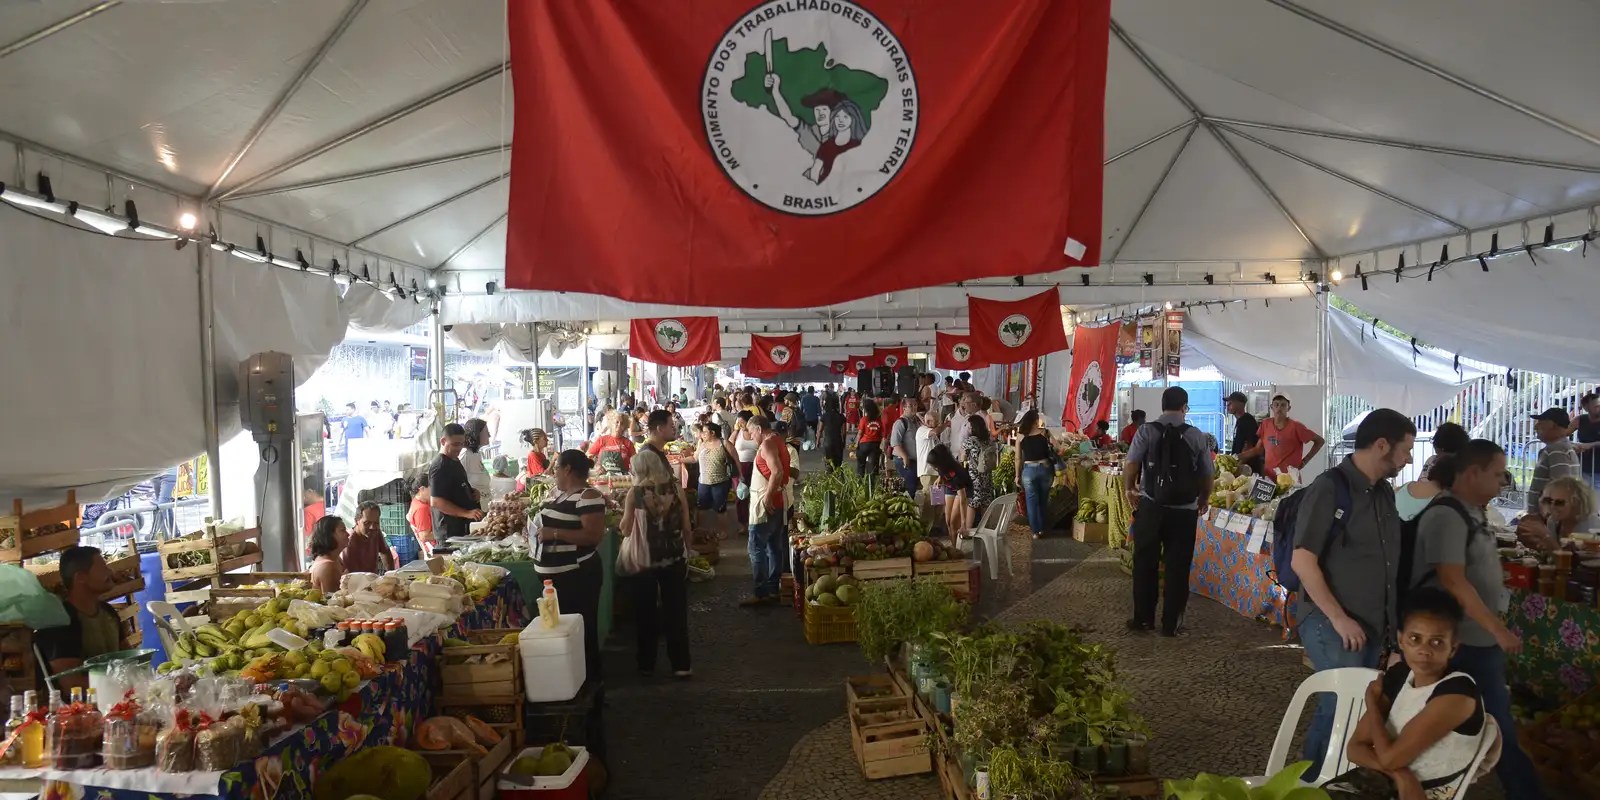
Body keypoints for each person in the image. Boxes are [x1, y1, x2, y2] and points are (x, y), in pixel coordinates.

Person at [1410, 438, 1543, 800]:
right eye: (1498, 474)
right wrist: (1496, 628)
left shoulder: (1471, 512)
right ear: (1473, 473)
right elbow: (1453, 579)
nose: (1503, 483)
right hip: (1461, 642)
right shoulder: (1445, 515)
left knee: (1487, 725)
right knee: (1494, 725)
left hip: (1473, 640)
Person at [1292, 408, 1416, 775]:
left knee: (1358, 706)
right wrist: (1339, 618)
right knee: (1339, 704)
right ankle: (1309, 783)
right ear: (1382, 445)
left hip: (1370, 626)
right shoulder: (1330, 489)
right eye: (1406, 449)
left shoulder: (1383, 494)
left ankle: (1333, 778)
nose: (1410, 458)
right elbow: (1303, 561)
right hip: (1333, 624)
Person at [1329, 587, 1491, 800]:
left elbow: (1389, 760)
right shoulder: (1399, 675)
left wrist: (1372, 704)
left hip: (1428, 792)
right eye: (1415, 638)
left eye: (1437, 642)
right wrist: (1402, 775)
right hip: (1387, 782)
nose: (1424, 650)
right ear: (1401, 640)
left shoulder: (1458, 694)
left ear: (1453, 648)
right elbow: (1355, 748)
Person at [1123, 387, 1216, 637]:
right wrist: (1204, 499)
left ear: (1162, 405)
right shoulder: (1197, 436)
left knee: (1145, 563)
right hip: (1184, 512)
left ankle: (1143, 619)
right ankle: (1171, 624)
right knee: (1178, 567)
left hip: (1151, 506)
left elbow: (1131, 463)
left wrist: (1129, 489)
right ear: (1184, 407)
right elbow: (1207, 474)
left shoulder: (1146, 431)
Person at [531, 449, 608, 681]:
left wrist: (554, 533)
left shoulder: (589, 496)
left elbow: (592, 537)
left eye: (556, 469)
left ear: (567, 469)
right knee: (565, 632)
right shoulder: (560, 495)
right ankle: (571, 680)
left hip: (577, 576)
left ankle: (590, 683)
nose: (554, 474)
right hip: (556, 578)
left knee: (581, 632)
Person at [620, 444, 692, 678]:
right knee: (676, 611)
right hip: (673, 556)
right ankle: (681, 665)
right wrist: (687, 552)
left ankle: (646, 664)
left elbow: (626, 529)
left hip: (645, 560)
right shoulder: (676, 489)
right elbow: (686, 526)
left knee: (645, 612)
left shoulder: (635, 493)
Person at [37, 547, 128, 691]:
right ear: (80, 577)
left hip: (118, 699)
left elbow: (128, 658)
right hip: (80, 708)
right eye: (103, 568)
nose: (110, 572)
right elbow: (70, 682)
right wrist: (118, 685)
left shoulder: (108, 612)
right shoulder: (62, 623)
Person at [743, 416, 790, 607]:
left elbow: (777, 471)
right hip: (778, 502)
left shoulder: (767, 444)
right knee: (773, 546)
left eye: (751, 432)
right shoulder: (778, 440)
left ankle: (762, 592)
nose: (751, 436)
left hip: (767, 504)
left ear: (759, 429)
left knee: (756, 548)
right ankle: (772, 588)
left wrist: (768, 496)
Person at [429, 422, 484, 540]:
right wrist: (466, 513)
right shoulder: (440, 465)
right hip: (450, 533)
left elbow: (457, 486)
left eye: (461, 444)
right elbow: (436, 501)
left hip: (462, 528)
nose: (459, 448)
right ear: (443, 441)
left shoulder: (454, 459)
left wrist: (472, 492)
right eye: (455, 444)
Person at [1516, 475, 1600, 549]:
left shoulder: (1592, 527)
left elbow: (1574, 561)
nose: (1552, 507)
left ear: (1576, 503)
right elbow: (1554, 555)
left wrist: (1545, 536)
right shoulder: (1553, 522)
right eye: (1549, 501)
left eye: (1559, 503)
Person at [1526, 407, 1581, 515]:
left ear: (1552, 425)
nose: (1536, 427)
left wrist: (1547, 518)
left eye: (1540, 423)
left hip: (1548, 519)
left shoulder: (1557, 450)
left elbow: (1560, 489)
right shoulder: (1558, 448)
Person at [687, 422, 736, 539]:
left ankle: (723, 532)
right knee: (702, 508)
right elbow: (694, 458)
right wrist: (680, 460)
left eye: (705, 432)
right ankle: (703, 532)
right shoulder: (702, 444)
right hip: (703, 482)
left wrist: (739, 476)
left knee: (720, 509)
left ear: (712, 433)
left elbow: (736, 459)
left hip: (720, 482)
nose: (702, 434)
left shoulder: (724, 443)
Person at [1258, 394, 1325, 478]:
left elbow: (1320, 441)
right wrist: (1240, 456)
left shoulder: (1296, 427)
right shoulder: (1265, 424)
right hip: (1269, 477)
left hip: (1290, 479)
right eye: (1276, 404)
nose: (1279, 408)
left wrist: (1305, 461)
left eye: (1283, 405)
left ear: (1288, 408)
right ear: (1272, 407)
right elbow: (1258, 449)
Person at [1015, 410, 1055, 539]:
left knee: (1031, 501)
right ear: (1035, 421)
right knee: (1043, 500)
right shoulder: (1045, 433)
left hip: (1028, 471)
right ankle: (1042, 529)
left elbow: (1018, 459)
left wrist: (1017, 475)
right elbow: (1059, 448)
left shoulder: (1020, 436)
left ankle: (1035, 532)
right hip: (1045, 469)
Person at [927, 443, 973, 546]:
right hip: (950, 487)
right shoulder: (942, 466)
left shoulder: (956, 474)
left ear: (940, 463)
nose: (934, 468)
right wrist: (940, 478)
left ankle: (956, 549)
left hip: (963, 490)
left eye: (934, 466)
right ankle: (953, 548)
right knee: (947, 521)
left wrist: (963, 523)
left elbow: (963, 499)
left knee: (953, 523)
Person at [962, 414, 998, 530]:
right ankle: (985, 529)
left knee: (973, 502)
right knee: (985, 501)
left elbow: (962, 458)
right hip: (987, 474)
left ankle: (968, 529)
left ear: (973, 427)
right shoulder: (988, 440)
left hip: (974, 476)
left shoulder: (970, 441)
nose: (968, 428)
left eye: (969, 426)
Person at [342, 501, 391, 574]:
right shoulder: (348, 542)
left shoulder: (376, 532)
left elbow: (385, 552)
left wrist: (391, 574)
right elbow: (350, 575)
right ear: (356, 521)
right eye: (367, 523)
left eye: (376, 523)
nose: (372, 527)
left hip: (373, 581)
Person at [890, 398, 924, 498]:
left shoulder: (916, 421)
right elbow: (895, 444)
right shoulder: (900, 423)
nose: (914, 407)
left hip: (915, 461)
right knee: (909, 488)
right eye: (910, 406)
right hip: (904, 461)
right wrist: (905, 457)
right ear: (904, 408)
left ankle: (910, 508)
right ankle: (906, 510)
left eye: (915, 405)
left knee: (913, 487)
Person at [1223, 392, 1263, 475]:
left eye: (1230, 403)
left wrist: (1237, 465)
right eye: (1227, 403)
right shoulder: (1240, 420)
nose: (1227, 405)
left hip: (1248, 469)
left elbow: (1250, 445)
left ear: (1240, 404)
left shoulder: (1247, 421)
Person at [307, 515, 349, 594]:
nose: (348, 534)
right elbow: (333, 603)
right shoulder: (328, 566)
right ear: (329, 535)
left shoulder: (335, 558)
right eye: (343, 530)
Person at [587, 411, 637, 476]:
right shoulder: (602, 440)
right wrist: (597, 466)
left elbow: (636, 463)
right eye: (617, 422)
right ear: (611, 424)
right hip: (603, 478)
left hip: (621, 480)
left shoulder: (628, 443)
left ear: (624, 426)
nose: (619, 425)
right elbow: (588, 456)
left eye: (622, 423)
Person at [460, 418, 493, 503]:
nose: (489, 435)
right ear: (476, 434)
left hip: (484, 505)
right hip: (473, 508)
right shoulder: (465, 455)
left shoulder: (478, 454)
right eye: (486, 432)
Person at [916, 410, 948, 494]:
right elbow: (935, 432)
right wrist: (945, 425)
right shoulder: (922, 430)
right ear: (928, 421)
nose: (938, 423)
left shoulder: (933, 435)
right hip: (928, 472)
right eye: (936, 421)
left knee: (938, 501)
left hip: (936, 472)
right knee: (928, 499)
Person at [1575, 392, 1600, 491]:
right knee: (1584, 498)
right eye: (1596, 406)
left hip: (1598, 469)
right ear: (1586, 407)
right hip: (1584, 468)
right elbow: (1563, 433)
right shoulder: (1580, 420)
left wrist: (1590, 445)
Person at [856, 398, 884, 478]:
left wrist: (856, 444)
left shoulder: (864, 419)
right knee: (872, 467)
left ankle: (859, 482)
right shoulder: (879, 420)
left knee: (861, 464)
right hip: (875, 445)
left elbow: (860, 433)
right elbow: (881, 433)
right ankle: (871, 484)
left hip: (864, 444)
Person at [407, 476, 435, 554]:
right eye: (431, 487)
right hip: (434, 549)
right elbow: (424, 536)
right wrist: (443, 533)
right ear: (422, 489)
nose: (434, 490)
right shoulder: (421, 509)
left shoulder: (417, 501)